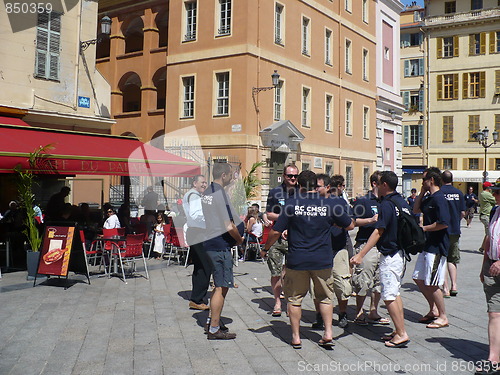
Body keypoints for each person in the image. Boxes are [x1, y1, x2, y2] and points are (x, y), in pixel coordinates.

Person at [262, 170, 354, 349]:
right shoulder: (329, 204)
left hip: (297, 259)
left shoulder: (292, 204)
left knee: (295, 299)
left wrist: (266, 248)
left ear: (300, 185)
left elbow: (275, 231)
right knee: (325, 297)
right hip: (322, 259)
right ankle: (328, 333)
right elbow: (349, 224)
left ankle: (296, 337)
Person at [350, 171, 411, 348]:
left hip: (390, 254)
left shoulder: (386, 204)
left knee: (389, 296)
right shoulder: (400, 201)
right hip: (399, 253)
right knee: (395, 294)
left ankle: (401, 333)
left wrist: (361, 254)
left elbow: (379, 231)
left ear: (384, 184)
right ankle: (399, 330)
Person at [202, 162, 244, 340]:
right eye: (231, 174)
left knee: (217, 285)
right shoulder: (219, 194)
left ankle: (213, 320)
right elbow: (229, 225)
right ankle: (213, 329)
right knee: (221, 286)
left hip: (209, 242)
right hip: (220, 245)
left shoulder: (207, 192)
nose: (232, 177)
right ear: (224, 175)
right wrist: (240, 239)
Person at [310, 174, 353, 330]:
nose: (315, 189)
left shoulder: (339, 202)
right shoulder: (311, 203)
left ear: (327, 187)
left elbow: (350, 222)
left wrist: (336, 223)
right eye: (314, 186)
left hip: (338, 247)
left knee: (343, 284)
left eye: (318, 186)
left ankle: (342, 313)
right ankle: (319, 315)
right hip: (319, 249)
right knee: (318, 286)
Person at [412, 167, 451, 329]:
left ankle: (443, 316)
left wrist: (425, 229)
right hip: (427, 246)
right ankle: (433, 309)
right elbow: (415, 209)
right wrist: (421, 193)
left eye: (424, 180)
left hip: (436, 246)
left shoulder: (440, 199)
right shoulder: (429, 197)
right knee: (418, 278)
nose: (422, 182)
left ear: (432, 180)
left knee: (433, 283)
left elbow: (443, 223)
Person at [351, 171, 390, 326]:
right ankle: (359, 312)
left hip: (382, 246)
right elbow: (352, 222)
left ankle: (373, 311)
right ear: (375, 184)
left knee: (379, 280)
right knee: (363, 280)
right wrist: (370, 220)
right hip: (365, 244)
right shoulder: (364, 201)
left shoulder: (386, 201)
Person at [265, 164, 299, 317]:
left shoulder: (302, 192)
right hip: (277, 237)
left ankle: (291, 302)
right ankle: (277, 301)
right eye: (290, 176)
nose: (293, 178)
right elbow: (269, 214)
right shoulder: (275, 192)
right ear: (284, 176)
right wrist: (284, 219)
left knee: (293, 273)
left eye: (295, 176)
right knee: (275, 272)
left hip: (295, 237)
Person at [476, 178, 500, 375]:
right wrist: (484, 264)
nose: (495, 195)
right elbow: (489, 238)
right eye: (495, 192)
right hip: (491, 267)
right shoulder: (494, 211)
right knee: (494, 313)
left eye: (498, 192)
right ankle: (493, 359)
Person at [183, 174, 211, 311]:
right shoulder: (194, 196)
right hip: (197, 232)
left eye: (206, 183)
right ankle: (197, 299)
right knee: (205, 265)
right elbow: (196, 214)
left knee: (200, 265)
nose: (204, 185)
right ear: (195, 183)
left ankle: (197, 297)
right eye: (202, 182)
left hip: (195, 232)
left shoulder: (194, 195)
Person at [440, 170, 466, 298]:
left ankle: (445, 289)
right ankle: (454, 285)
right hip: (455, 230)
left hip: (441, 230)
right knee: (453, 259)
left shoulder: (440, 193)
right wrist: (456, 220)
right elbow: (463, 213)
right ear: (452, 179)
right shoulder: (459, 193)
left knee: (442, 259)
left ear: (441, 179)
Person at [479, 182, 496, 253]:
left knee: (488, 233)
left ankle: (482, 248)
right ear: (488, 188)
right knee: (489, 233)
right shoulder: (487, 194)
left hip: (484, 214)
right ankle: (485, 249)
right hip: (486, 215)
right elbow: (495, 200)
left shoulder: (482, 193)